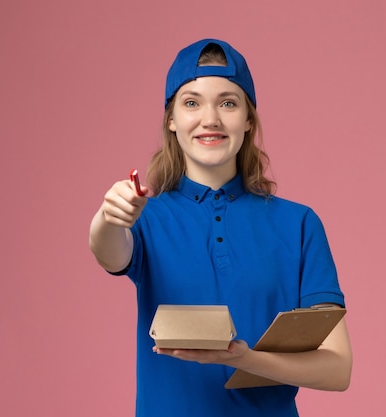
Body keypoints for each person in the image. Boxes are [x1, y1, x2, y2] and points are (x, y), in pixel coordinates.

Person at [89, 38, 352, 417]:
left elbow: (337, 368)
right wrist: (108, 217)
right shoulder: (146, 219)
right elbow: (109, 251)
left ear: (248, 120)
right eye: (191, 102)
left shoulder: (298, 224)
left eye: (228, 102)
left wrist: (244, 358)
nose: (209, 119)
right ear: (172, 119)